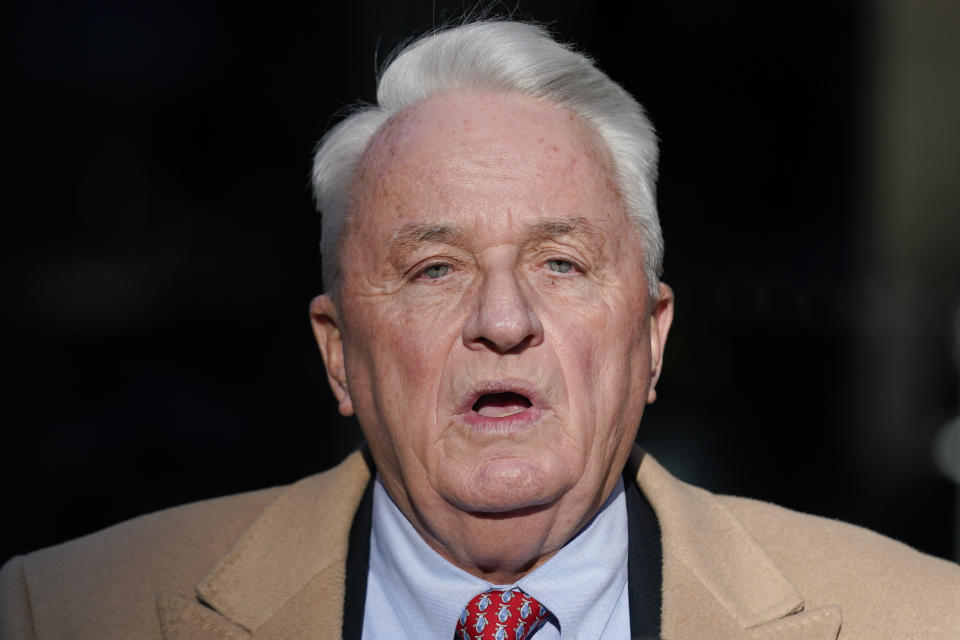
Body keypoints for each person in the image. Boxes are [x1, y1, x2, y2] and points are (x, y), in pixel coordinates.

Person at [1, 20, 958, 640]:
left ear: (654, 336)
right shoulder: (58, 613)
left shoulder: (920, 620)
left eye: (561, 263)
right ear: (339, 354)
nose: (503, 322)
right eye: (433, 270)